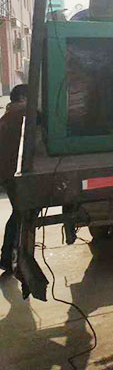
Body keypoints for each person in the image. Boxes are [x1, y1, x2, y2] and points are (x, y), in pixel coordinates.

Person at [0, 84, 27, 273]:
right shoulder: (21, 114)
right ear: (23, 98)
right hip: (13, 174)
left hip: (7, 174)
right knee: (20, 213)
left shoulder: (8, 116)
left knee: (18, 213)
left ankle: (8, 256)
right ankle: (9, 257)